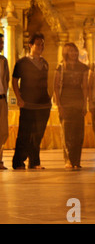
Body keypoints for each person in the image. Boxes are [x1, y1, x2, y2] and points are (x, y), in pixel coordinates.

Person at [12, 33, 52, 170]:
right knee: (24, 133)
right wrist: (19, 98)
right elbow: (14, 81)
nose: (41, 47)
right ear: (30, 45)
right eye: (38, 44)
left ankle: (34, 162)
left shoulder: (45, 63)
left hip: (43, 105)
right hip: (28, 104)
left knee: (38, 134)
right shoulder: (22, 62)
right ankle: (18, 162)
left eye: (42, 44)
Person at [54, 43, 89, 169]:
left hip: (78, 103)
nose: (73, 54)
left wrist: (85, 104)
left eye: (75, 51)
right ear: (65, 53)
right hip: (65, 103)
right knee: (67, 133)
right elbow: (56, 87)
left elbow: (85, 87)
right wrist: (59, 105)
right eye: (70, 51)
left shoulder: (83, 68)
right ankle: (68, 160)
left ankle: (77, 160)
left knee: (78, 133)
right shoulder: (61, 67)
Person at [0, 34, 9, 170]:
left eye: (2, 43)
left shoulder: (3, 61)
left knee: (2, 131)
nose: (2, 45)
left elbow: (6, 80)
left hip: (1, 98)